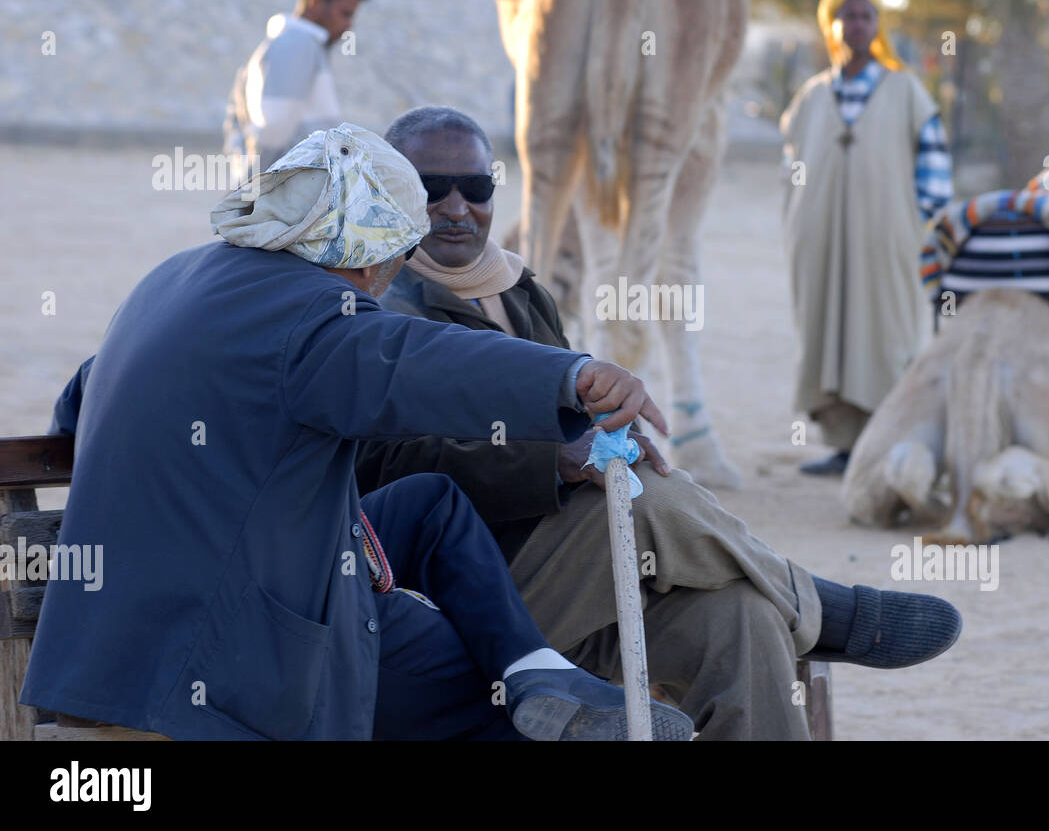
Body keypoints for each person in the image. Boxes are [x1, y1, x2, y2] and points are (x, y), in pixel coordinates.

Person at [19, 123, 695, 741]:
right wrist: (572, 376)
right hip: (210, 675)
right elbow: (418, 362)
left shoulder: (170, 281)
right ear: (370, 255)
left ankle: (533, 669)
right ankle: (519, 693)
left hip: (111, 651)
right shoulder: (313, 315)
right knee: (478, 705)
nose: (383, 283)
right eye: (394, 259)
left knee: (428, 506)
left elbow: (79, 407)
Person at [354, 105, 964, 740]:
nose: (457, 207)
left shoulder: (518, 289)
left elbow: (560, 411)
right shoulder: (378, 307)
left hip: (576, 571)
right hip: (475, 596)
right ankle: (820, 606)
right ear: (395, 193)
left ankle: (785, 600)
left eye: (475, 188)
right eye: (431, 190)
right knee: (652, 501)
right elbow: (388, 465)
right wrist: (554, 463)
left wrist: (604, 436)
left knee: (743, 617)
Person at [781, 0, 954, 477]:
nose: (856, 24)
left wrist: (920, 224)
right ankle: (843, 446)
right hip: (819, 239)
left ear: (877, 25)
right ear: (831, 24)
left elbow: (935, 164)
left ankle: (887, 441)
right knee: (828, 331)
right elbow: (789, 167)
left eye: (866, 15)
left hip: (889, 238)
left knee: (885, 331)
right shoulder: (812, 97)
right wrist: (797, 218)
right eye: (847, 15)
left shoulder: (904, 90)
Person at [222, 0, 365, 182]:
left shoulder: (298, 44)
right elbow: (273, 132)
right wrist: (247, 200)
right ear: (316, 1)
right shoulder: (296, 44)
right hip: (283, 198)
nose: (349, 25)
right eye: (345, 14)